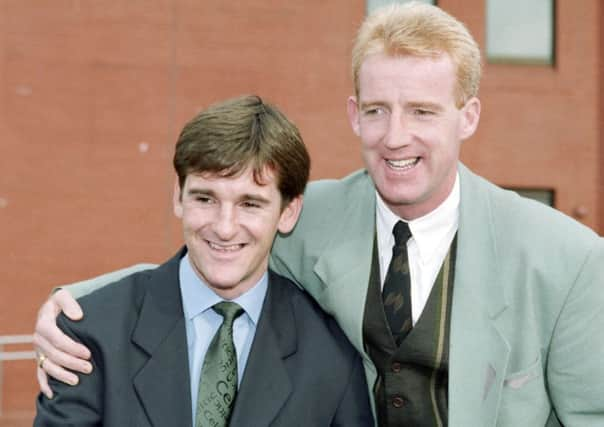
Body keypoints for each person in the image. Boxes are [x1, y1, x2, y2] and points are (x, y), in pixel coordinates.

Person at [34, 3, 604, 426]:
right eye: (378, 110)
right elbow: (216, 250)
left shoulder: (569, 260)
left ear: (469, 115)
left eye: (423, 111)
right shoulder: (312, 213)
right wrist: (70, 307)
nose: (395, 136)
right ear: (354, 115)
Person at [33, 95, 373, 426]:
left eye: (250, 204)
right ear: (178, 197)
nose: (224, 228)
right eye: (205, 198)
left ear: (288, 212)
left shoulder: (332, 355)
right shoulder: (89, 333)